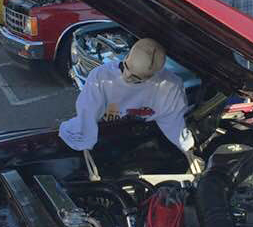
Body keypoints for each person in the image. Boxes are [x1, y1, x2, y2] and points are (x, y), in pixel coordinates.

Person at [59, 38, 201, 172]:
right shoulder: (101, 76)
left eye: (136, 77)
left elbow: (173, 122)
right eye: (125, 66)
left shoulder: (170, 87)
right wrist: (85, 141)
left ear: (153, 76)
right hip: (105, 134)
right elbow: (87, 113)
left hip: (141, 139)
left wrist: (188, 150)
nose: (126, 75)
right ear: (127, 56)